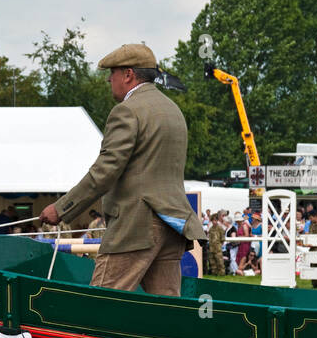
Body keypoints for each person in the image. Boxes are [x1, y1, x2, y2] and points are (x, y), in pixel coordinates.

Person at [38, 43, 203, 296]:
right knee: (168, 311)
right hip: (173, 225)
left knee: (100, 304)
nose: (108, 79)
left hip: (136, 225)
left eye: (112, 73)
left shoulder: (127, 110)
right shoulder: (173, 110)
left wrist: (61, 208)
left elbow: (104, 171)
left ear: (128, 74)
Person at [205, 211, 226, 275]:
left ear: (217, 220)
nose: (214, 222)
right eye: (213, 220)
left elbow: (222, 239)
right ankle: (214, 273)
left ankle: (222, 274)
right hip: (211, 248)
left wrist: (219, 246)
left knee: (220, 262)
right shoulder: (211, 229)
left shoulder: (220, 228)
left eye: (215, 220)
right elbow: (209, 238)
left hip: (218, 248)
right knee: (212, 262)